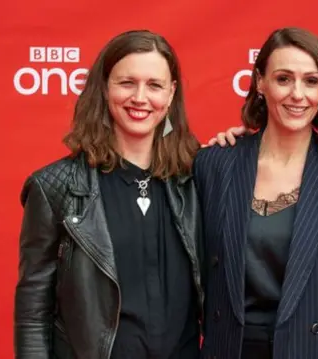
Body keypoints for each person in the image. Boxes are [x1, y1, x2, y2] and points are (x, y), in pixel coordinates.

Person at [14, 30, 204, 359]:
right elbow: (33, 313)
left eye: (154, 85)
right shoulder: (55, 187)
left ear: (171, 94)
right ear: (104, 87)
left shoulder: (198, 178)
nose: (140, 98)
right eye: (126, 83)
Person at [193, 27, 318, 359]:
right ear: (260, 82)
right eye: (283, 79)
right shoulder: (213, 164)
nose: (297, 94)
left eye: (311, 81)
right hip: (229, 349)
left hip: (312, 348)